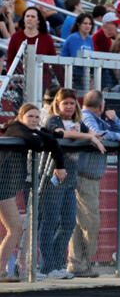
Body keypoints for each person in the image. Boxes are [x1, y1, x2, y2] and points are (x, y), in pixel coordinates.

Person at [39, 89, 106, 279]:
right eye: (65, 103)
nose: (68, 106)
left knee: (68, 222)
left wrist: (95, 135)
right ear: (58, 105)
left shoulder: (79, 123)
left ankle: (59, 263)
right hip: (54, 174)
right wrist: (89, 137)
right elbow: (59, 134)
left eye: (72, 103)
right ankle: (47, 266)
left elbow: (93, 133)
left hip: (72, 177)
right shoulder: (53, 119)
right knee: (50, 221)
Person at [0, 103, 66, 280]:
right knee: (14, 228)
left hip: (8, 188)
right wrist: (44, 134)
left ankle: (14, 268)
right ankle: (1, 271)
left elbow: (51, 143)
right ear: (21, 117)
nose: (34, 120)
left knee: (21, 224)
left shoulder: (29, 130)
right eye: (30, 116)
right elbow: (35, 142)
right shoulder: (14, 128)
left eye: (37, 117)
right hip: (2, 187)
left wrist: (59, 164)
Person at [67, 90, 120, 277]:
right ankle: (80, 264)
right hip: (84, 177)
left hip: (91, 177)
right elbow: (98, 135)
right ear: (101, 106)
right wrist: (116, 135)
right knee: (90, 223)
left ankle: (80, 264)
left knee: (83, 223)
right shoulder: (86, 117)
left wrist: (114, 121)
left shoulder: (98, 117)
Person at [6, 6, 58, 88]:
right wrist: (12, 79)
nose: (29, 19)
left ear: (38, 21)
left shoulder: (47, 38)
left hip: (42, 82)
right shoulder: (15, 37)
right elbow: (10, 60)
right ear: (24, 19)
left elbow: (54, 61)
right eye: (27, 16)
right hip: (20, 83)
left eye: (33, 17)